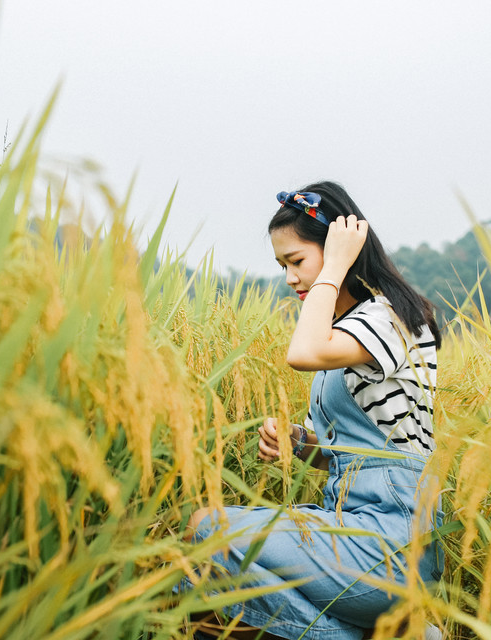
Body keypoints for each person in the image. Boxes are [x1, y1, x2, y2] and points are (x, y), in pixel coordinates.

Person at [183, 181, 444, 640]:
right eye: (282, 265)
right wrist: (299, 444)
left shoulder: (390, 318)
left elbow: (301, 352)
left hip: (393, 540)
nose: (289, 278)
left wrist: (337, 264)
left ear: (338, 249)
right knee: (213, 564)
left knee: (210, 531)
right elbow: (342, 453)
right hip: (348, 525)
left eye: (297, 261)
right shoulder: (348, 335)